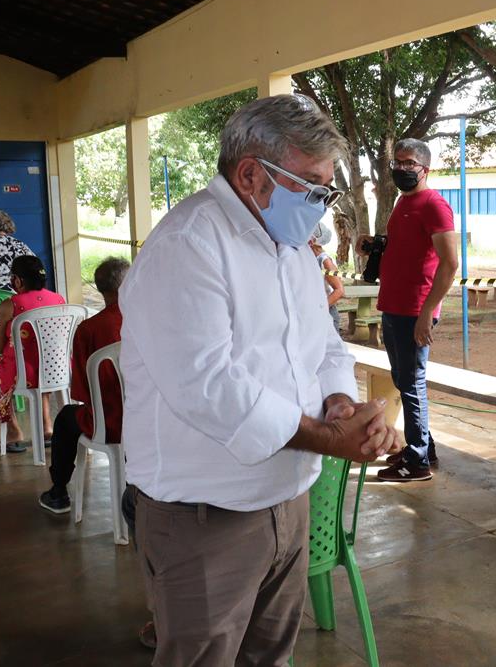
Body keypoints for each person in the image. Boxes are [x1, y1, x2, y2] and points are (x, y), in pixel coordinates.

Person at [119, 93, 398, 666]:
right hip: (207, 517)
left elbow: (321, 343)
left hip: (287, 500)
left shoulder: (290, 246)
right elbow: (209, 387)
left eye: (327, 190)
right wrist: (329, 440)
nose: (321, 203)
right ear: (251, 174)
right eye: (312, 187)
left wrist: (341, 402)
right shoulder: (188, 244)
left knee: (268, 656)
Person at [358, 138, 459, 483]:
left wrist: (425, 313)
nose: (401, 169)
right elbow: (405, 249)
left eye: (409, 163)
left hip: (415, 310)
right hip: (393, 305)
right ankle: (423, 447)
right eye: (397, 163)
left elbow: (450, 264)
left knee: (412, 384)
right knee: (403, 380)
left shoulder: (435, 205)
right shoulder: (404, 202)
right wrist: (375, 246)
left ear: (425, 169)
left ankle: (416, 463)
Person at [38, 257, 129, 514]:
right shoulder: (149, 320)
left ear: (101, 289)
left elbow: (80, 392)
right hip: (149, 422)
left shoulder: (89, 329)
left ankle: (58, 493)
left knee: (66, 417)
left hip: (109, 424)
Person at [0, 255, 65, 453]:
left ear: (18, 280)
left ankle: (13, 432)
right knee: (39, 362)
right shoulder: (58, 299)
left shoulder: (10, 304)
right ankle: (46, 427)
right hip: (57, 370)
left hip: (22, 374)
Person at [309, 222, 344, 331]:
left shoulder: (324, 260)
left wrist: (320, 309)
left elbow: (339, 290)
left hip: (327, 314)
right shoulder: (310, 258)